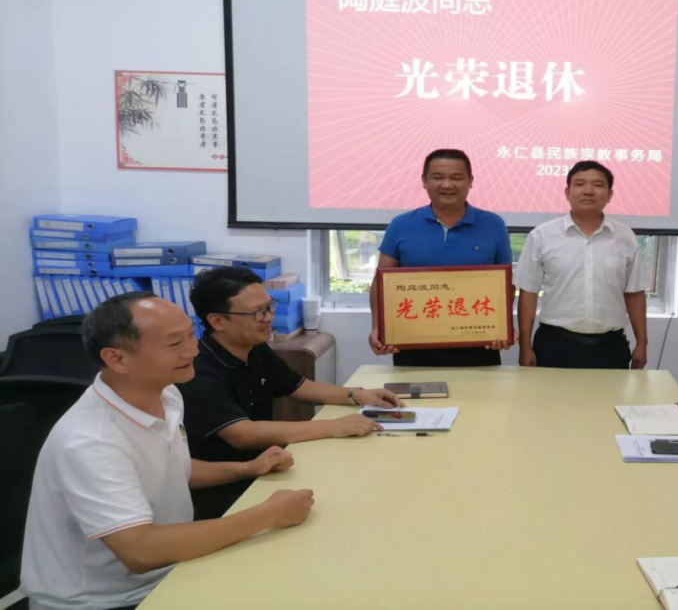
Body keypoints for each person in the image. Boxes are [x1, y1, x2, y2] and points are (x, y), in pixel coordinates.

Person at [21, 293, 314, 610]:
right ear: (117, 359)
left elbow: (169, 467)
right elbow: (140, 551)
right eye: (175, 344)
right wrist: (268, 514)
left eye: (191, 334)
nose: (193, 350)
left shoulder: (166, 393)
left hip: (173, 569)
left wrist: (247, 469)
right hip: (104, 601)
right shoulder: (90, 441)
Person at [180, 267, 402, 519]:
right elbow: (242, 434)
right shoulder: (198, 371)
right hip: (226, 487)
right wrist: (333, 426)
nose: (268, 318)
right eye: (257, 312)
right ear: (217, 321)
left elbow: (298, 386)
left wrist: (356, 394)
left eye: (269, 307)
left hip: (269, 466)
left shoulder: (254, 347)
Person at [368, 148, 514, 367]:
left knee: (481, 391)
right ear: (424, 181)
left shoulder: (494, 225)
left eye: (456, 177)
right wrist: (379, 328)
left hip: (477, 343)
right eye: (438, 177)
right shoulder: (401, 224)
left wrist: (502, 327)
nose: (447, 184)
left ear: (470, 181)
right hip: (412, 342)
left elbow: (505, 285)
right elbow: (381, 283)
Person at [514, 161, 649, 369]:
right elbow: (528, 294)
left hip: (610, 347)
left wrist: (642, 343)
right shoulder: (542, 236)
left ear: (609, 195)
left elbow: (634, 294)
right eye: (580, 184)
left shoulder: (625, 237)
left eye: (598, 185)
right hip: (554, 345)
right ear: (567, 192)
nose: (588, 191)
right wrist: (524, 346)